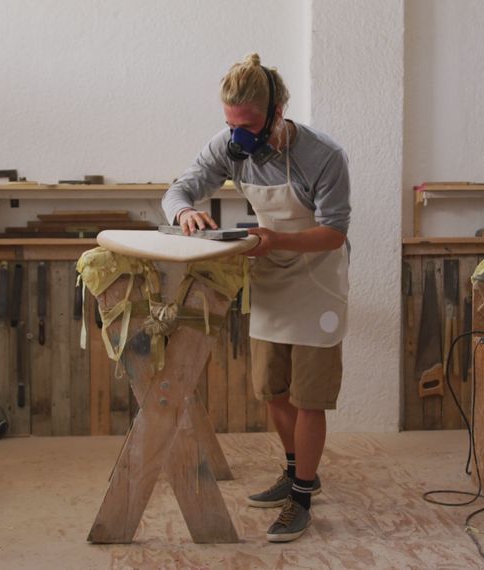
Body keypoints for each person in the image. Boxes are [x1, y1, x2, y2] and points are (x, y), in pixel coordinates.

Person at [162, 52, 350, 543]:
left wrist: (276, 241)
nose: (238, 136)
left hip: (319, 282)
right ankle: (296, 472)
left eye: (248, 126)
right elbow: (179, 189)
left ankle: (302, 499)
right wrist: (184, 213)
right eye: (230, 125)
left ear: (279, 109)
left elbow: (333, 232)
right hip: (270, 276)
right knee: (272, 389)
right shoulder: (229, 147)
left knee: (310, 399)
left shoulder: (324, 155)